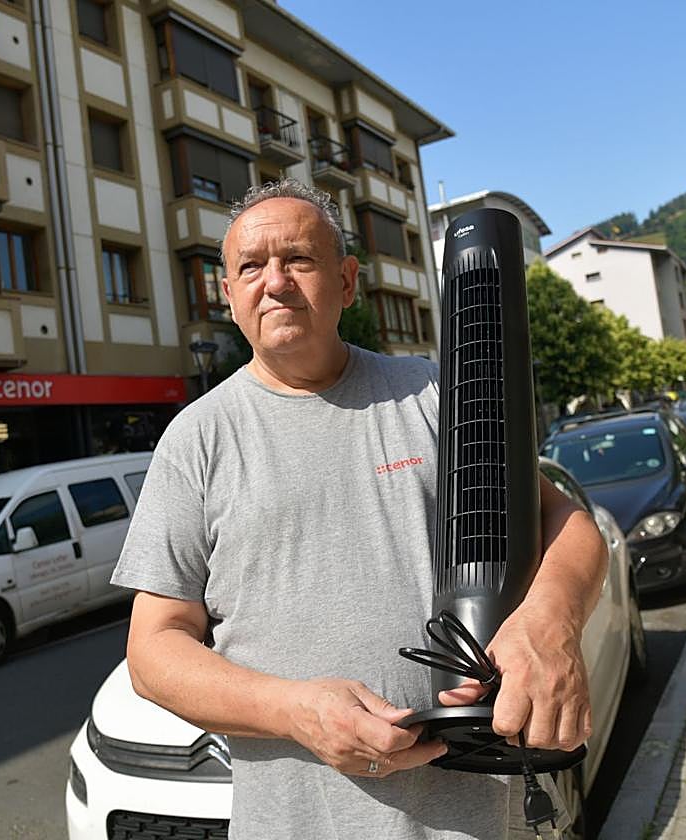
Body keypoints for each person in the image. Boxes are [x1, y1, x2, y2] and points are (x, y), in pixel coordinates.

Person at [111, 180, 607, 839]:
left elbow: (569, 525)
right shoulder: (195, 440)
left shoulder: (433, 393)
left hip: (480, 820)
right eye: (251, 267)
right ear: (228, 295)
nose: (275, 282)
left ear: (346, 282)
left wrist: (551, 621)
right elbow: (153, 650)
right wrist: (294, 711)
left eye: (299, 259)